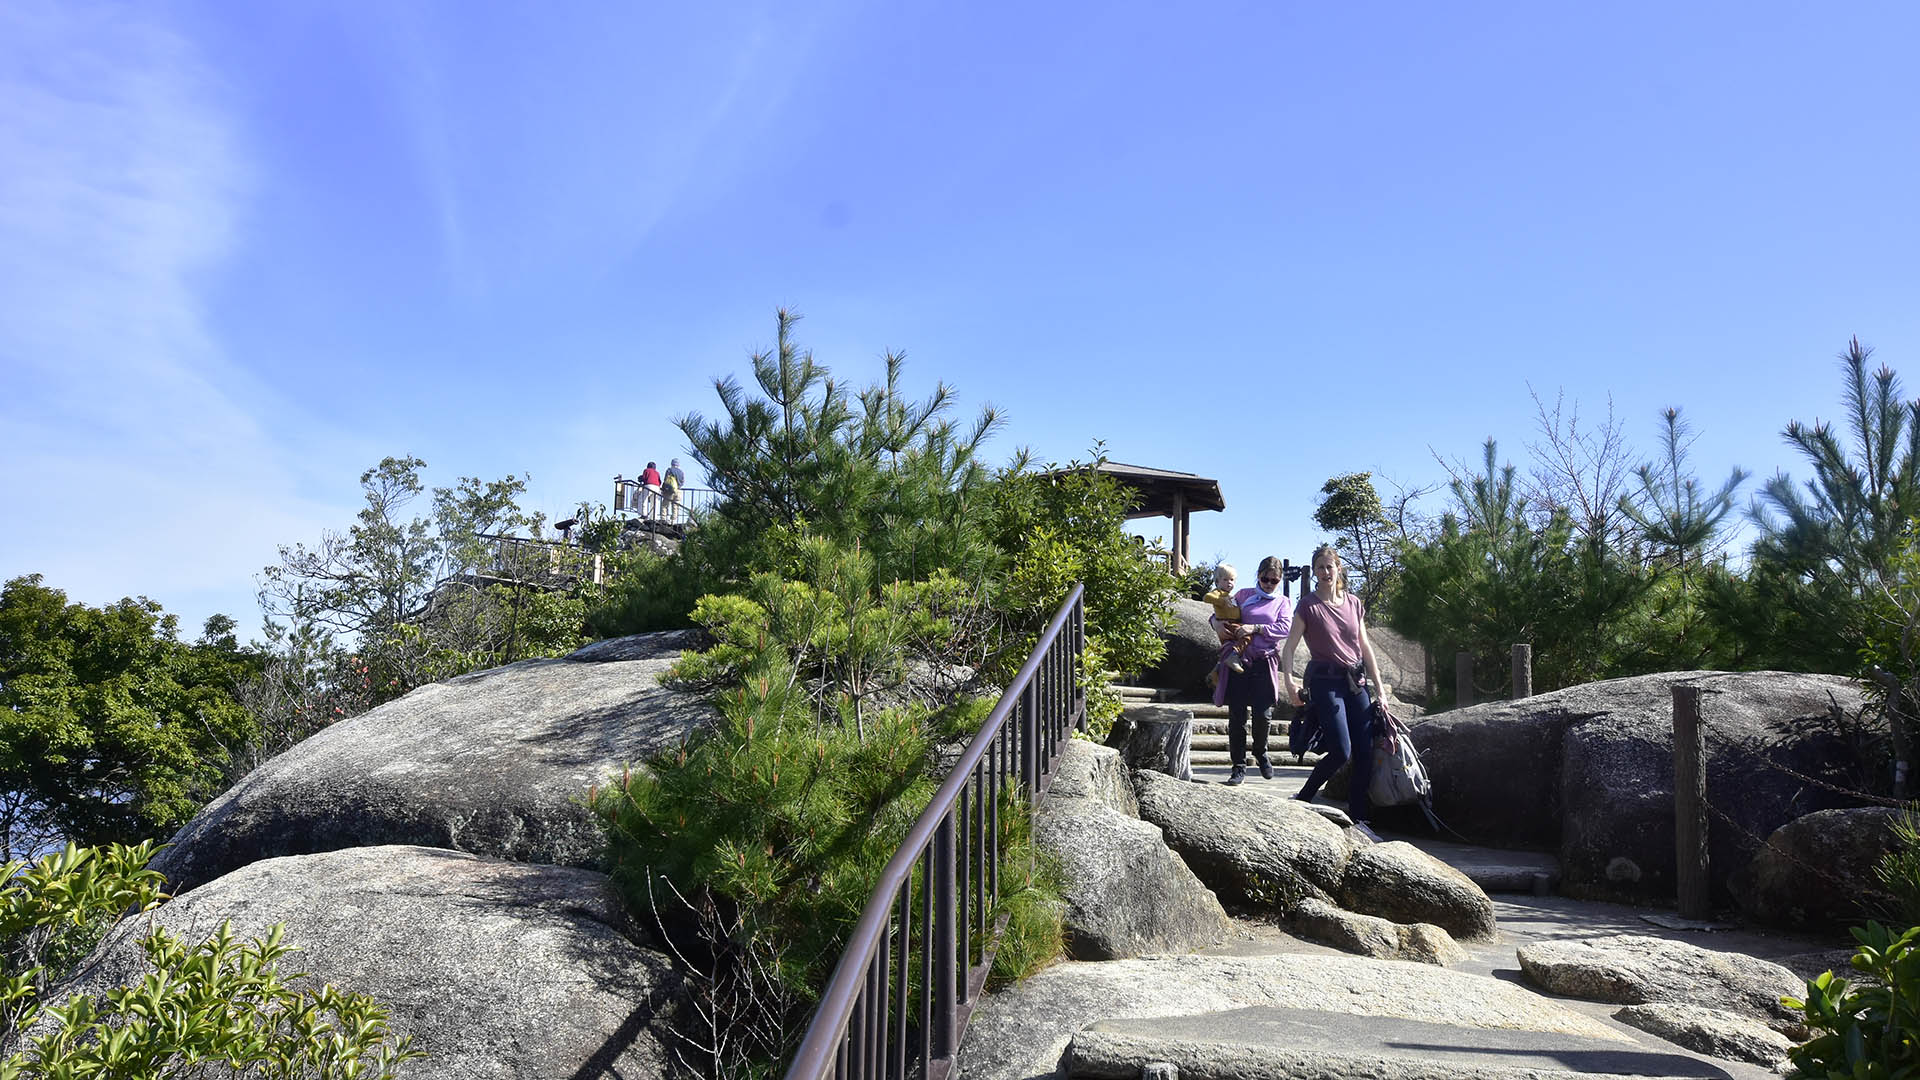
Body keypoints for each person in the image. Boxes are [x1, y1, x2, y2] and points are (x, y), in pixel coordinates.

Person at [1279, 544, 1388, 833]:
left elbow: (1365, 647)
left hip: (1356, 682)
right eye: (1320, 568)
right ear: (1314, 572)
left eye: (1330, 566)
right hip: (1326, 682)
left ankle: (1359, 817)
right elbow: (1289, 648)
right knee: (1342, 750)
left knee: (1364, 750)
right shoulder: (1308, 606)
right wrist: (1289, 682)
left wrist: (1381, 690)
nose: (1325, 572)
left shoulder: (1354, 603)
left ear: (1339, 568)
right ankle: (1304, 797)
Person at [1218, 555, 1293, 785]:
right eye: (1264, 579)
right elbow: (1222, 611)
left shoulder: (1283, 602)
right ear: (1258, 576)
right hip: (1240, 661)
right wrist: (1216, 623)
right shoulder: (1244, 596)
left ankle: (1260, 751)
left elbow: (1284, 627)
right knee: (1237, 716)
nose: (1268, 584)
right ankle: (1238, 766)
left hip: (1264, 661)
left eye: (1273, 580)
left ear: (1279, 581)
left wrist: (1256, 628)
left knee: (1263, 714)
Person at [1202, 563, 1251, 675]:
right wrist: (1221, 600)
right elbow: (1206, 597)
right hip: (1228, 623)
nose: (1229, 582)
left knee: (1226, 649)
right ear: (1217, 581)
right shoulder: (1219, 593)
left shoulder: (1232, 596)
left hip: (1234, 623)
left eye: (1232, 580)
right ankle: (1234, 656)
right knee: (1246, 636)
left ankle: (1216, 673)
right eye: (1225, 579)